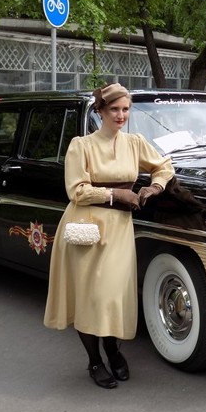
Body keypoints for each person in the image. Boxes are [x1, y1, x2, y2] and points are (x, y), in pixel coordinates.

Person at [44, 83, 175, 389]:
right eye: (114, 109)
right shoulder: (81, 145)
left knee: (112, 294)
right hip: (86, 227)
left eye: (125, 109)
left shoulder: (135, 142)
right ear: (100, 111)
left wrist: (153, 187)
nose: (120, 115)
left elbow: (164, 166)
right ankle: (95, 360)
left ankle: (114, 351)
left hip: (118, 231)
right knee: (90, 296)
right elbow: (76, 190)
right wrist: (117, 195)